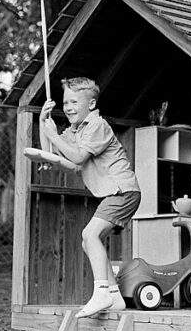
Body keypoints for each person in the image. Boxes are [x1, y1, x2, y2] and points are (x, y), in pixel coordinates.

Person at [40, 77, 141, 317]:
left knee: (89, 234)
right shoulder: (75, 131)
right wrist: (44, 122)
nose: (68, 107)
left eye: (74, 102)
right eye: (65, 102)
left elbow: (77, 158)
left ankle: (102, 292)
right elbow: (51, 153)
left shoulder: (97, 125)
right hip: (115, 194)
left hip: (122, 191)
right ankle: (114, 296)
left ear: (92, 104)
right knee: (88, 242)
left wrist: (53, 135)